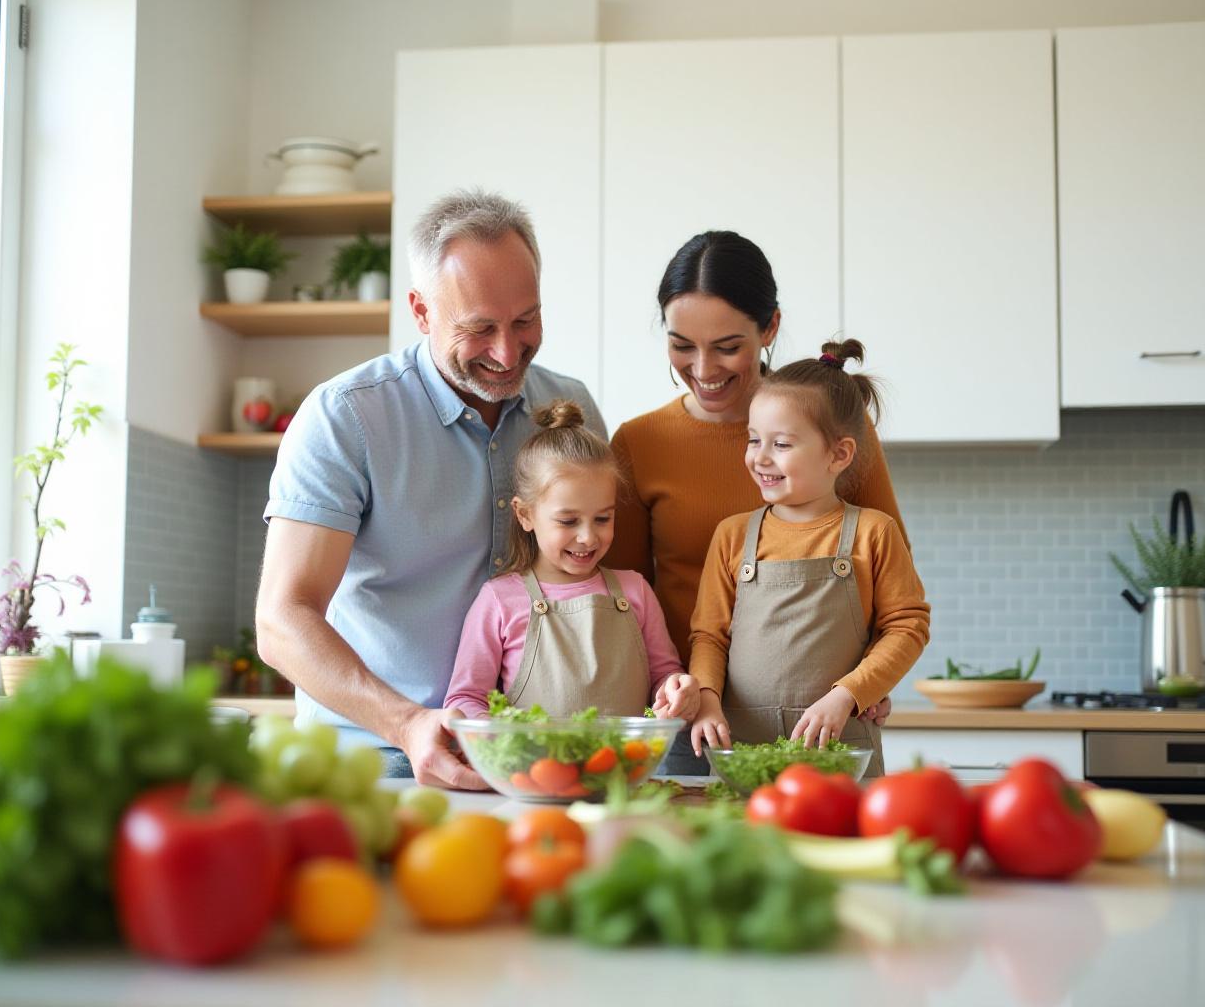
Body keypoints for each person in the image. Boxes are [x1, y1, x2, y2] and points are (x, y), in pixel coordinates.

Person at [255, 190, 605, 787]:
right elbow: (282, 620)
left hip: (534, 760)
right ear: (421, 312)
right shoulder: (347, 418)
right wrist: (407, 724)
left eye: (525, 320)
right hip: (373, 759)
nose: (505, 350)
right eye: (479, 329)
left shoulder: (570, 410)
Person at [605, 231, 903, 771]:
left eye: (727, 346)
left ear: (769, 327)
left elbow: (891, 595)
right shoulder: (637, 444)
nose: (702, 368)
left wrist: (863, 685)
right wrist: (678, 693)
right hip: (692, 723)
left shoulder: (836, 428)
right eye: (681, 345)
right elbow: (621, 602)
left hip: (823, 720)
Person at [687, 339, 931, 779]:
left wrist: (851, 694)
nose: (760, 457)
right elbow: (709, 636)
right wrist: (706, 701)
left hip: (839, 745)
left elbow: (908, 626)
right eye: (754, 439)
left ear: (839, 454)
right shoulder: (732, 536)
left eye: (780, 443)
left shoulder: (874, 533)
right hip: (740, 748)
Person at [444, 400, 699, 722]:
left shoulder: (635, 591)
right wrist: (496, 736)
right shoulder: (500, 600)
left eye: (603, 518)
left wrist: (675, 690)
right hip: (532, 770)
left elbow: (664, 675)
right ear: (525, 514)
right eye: (568, 521)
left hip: (622, 770)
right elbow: (465, 697)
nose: (588, 537)